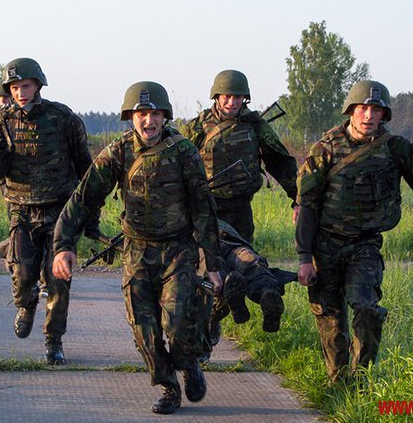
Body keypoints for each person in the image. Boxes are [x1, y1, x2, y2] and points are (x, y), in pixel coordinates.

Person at [52, 81, 223, 415]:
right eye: (142, 114)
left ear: (165, 116)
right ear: (131, 117)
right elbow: (85, 197)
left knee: (175, 325)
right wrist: (63, 244)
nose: (149, 121)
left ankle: (188, 363)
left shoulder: (184, 151)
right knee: (143, 330)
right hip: (137, 252)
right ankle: (168, 387)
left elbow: (204, 208)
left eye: (155, 113)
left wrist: (212, 262)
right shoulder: (118, 152)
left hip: (178, 250)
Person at [295, 80, 413, 386]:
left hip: (365, 245)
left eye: (375, 109)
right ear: (351, 111)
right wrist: (304, 257)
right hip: (325, 244)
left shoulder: (395, 149)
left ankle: (361, 378)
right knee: (329, 316)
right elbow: (308, 205)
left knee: (366, 308)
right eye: (363, 108)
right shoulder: (325, 149)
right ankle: (337, 383)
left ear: (384, 114)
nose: (368, 115)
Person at [0, 57, 97, 365]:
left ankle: (54, 340)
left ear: (38, 86)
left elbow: (86, 167)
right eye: (15, 87)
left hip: (60, 210)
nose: (20, 93)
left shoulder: (63, 118)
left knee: (58, 279)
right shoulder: (1, 121)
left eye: (26, 86)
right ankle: (26, 303)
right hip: (20, 209)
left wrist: (90, 214)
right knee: (22, 274)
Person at [183, 69, 299, 243]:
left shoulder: (255, 125)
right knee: (208, 260)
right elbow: (180, 165)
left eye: (238, 97)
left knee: (243, 260)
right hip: (207, 207)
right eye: (227, 96)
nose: (232, 102)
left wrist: (297, 199)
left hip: (241, 209)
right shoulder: (198, 127)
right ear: (217, 96)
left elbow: (280, 162)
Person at [0, 80, 49, 298]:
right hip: (9, 187)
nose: (9, 101)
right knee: (20, 231)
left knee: (44, 235)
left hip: (36, 186)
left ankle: (42, 279)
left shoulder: (29, 119)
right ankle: (19, 269)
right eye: (4, 98)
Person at [199, 219, 294, 363]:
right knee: (250, 263)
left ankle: (264, 294)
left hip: (217, 240)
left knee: (240, 265)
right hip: (219, 241)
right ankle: (264, 289)